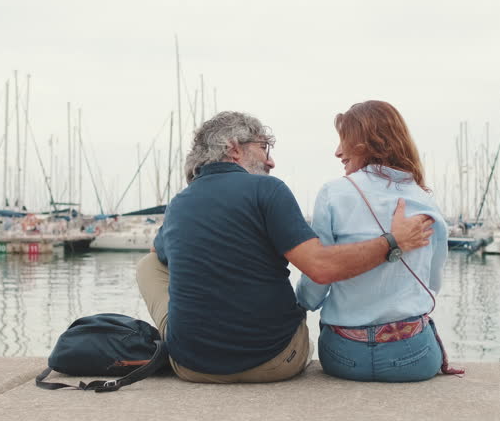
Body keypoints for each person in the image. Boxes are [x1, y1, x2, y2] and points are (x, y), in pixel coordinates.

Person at [137, 111, 434, 384]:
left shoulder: (178, 204)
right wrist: (393, 241)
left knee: (147, 265)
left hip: (192, 367)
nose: (271, 161)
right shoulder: (267, 189)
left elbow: (159, 258)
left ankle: (189, 337)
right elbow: (321, 268)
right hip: (276, 361)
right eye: (263, 147)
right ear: (234, 148)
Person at [296, 100, 460, 382]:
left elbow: (316, 282)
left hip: (343, 356)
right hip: (412, 357)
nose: (337, 152)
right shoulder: (424, 201)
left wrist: (302, 303)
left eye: (343, 142)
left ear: (364, 145)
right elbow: (433, 282)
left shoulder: (333, 194)